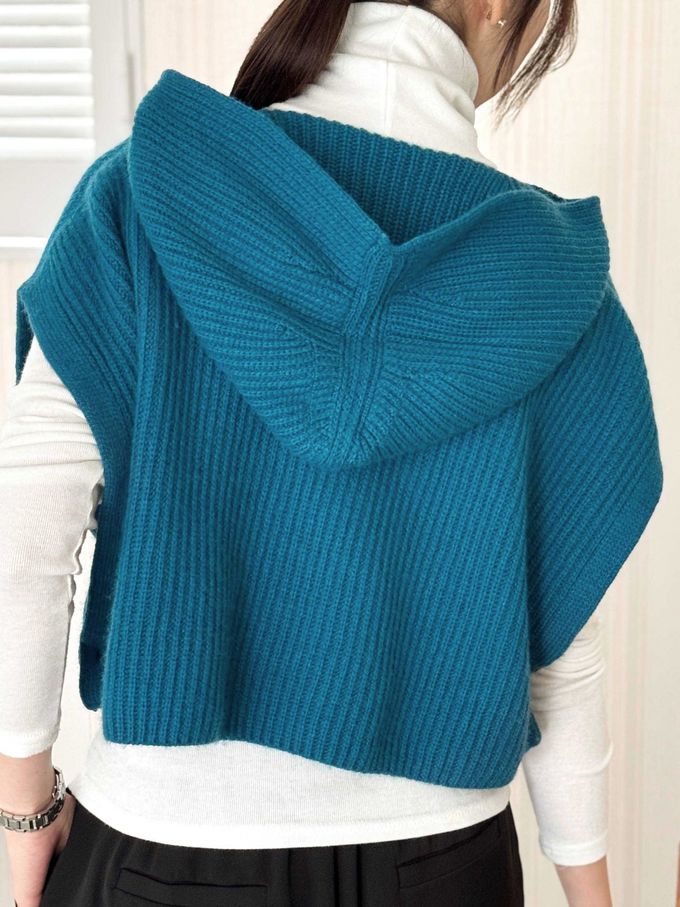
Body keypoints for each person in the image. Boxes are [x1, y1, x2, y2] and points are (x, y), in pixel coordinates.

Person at [0, 1, 663, 906]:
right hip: (443, 866)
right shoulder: (555, 288)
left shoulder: (144, 194)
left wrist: (24, 814)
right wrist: (592, 890)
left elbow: (25, 539)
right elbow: (562, 636)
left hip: (163, 852)